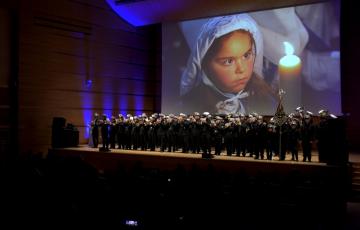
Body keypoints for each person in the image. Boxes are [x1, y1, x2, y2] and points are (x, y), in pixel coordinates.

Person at [180, 14, 278, 115]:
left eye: (246, 55)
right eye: (228, 61)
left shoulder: (264, 96)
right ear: (204, 65)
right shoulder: (194, 111)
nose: (242, 69)